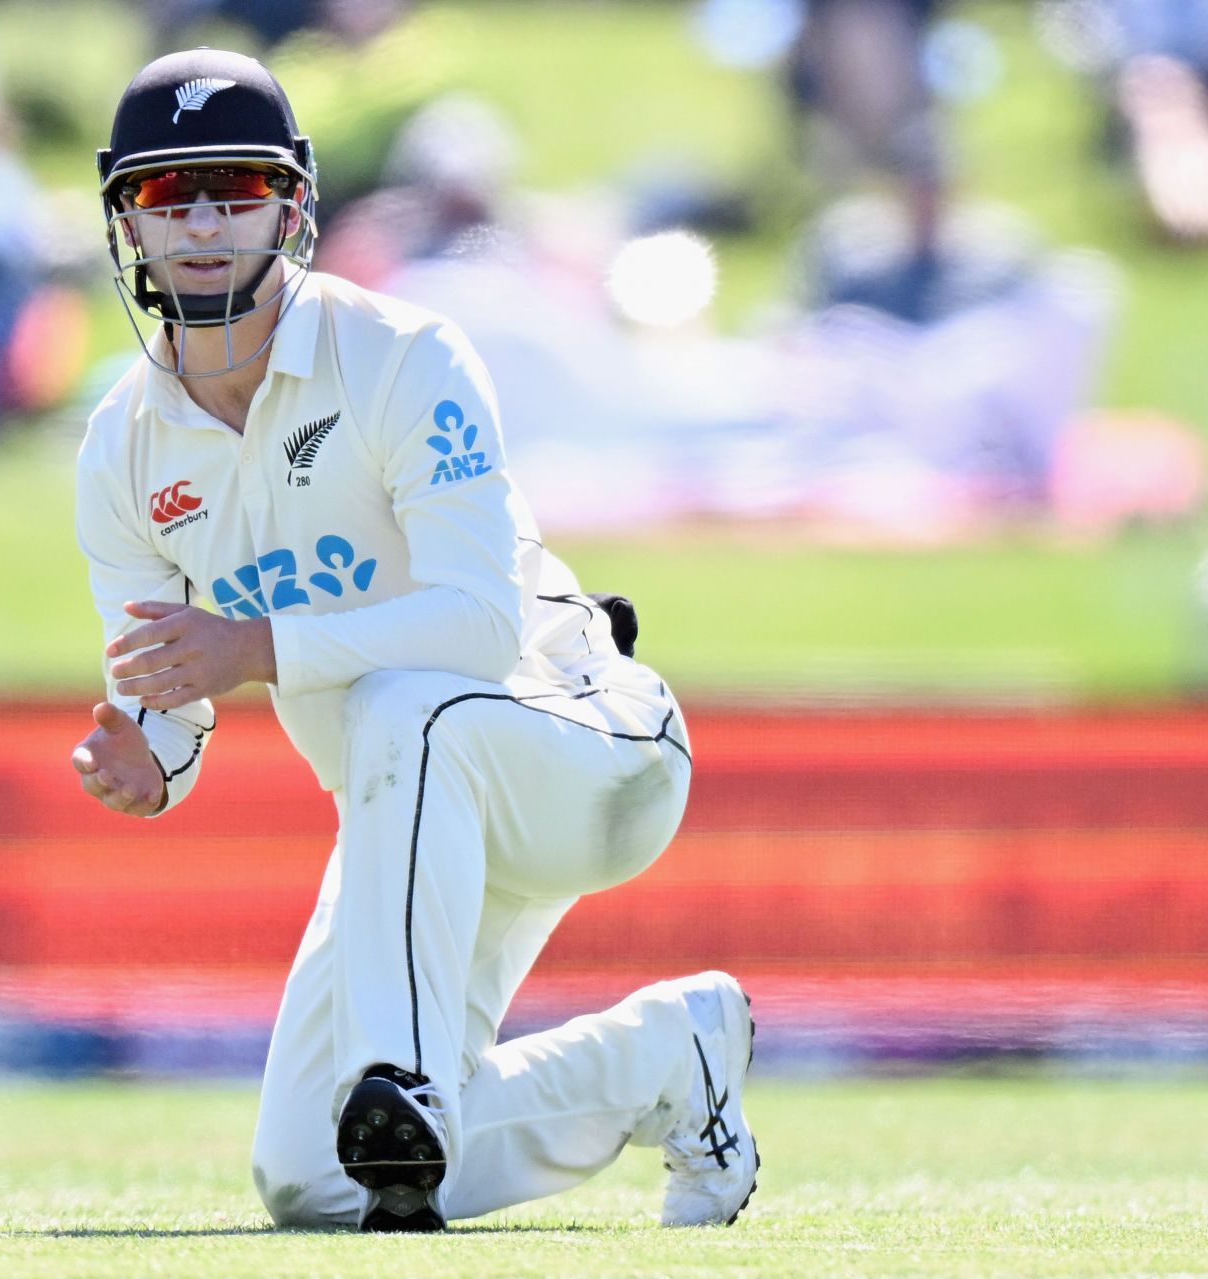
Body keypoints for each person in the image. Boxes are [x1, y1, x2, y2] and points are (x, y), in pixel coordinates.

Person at [68, 48, 757, 1233]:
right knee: (310, 1179)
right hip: (411, 820)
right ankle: (668, 1058)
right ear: (124, 220)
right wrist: (151, 757)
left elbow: (480, 623)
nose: (202, 222)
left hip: (584, 748)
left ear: (294, 202)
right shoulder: (123, 448)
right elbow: (174, 690)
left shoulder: (402, 356)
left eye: (235, 185)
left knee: (402, 700)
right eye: (165, 194)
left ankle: (404, 1083)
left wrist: (257, 650)